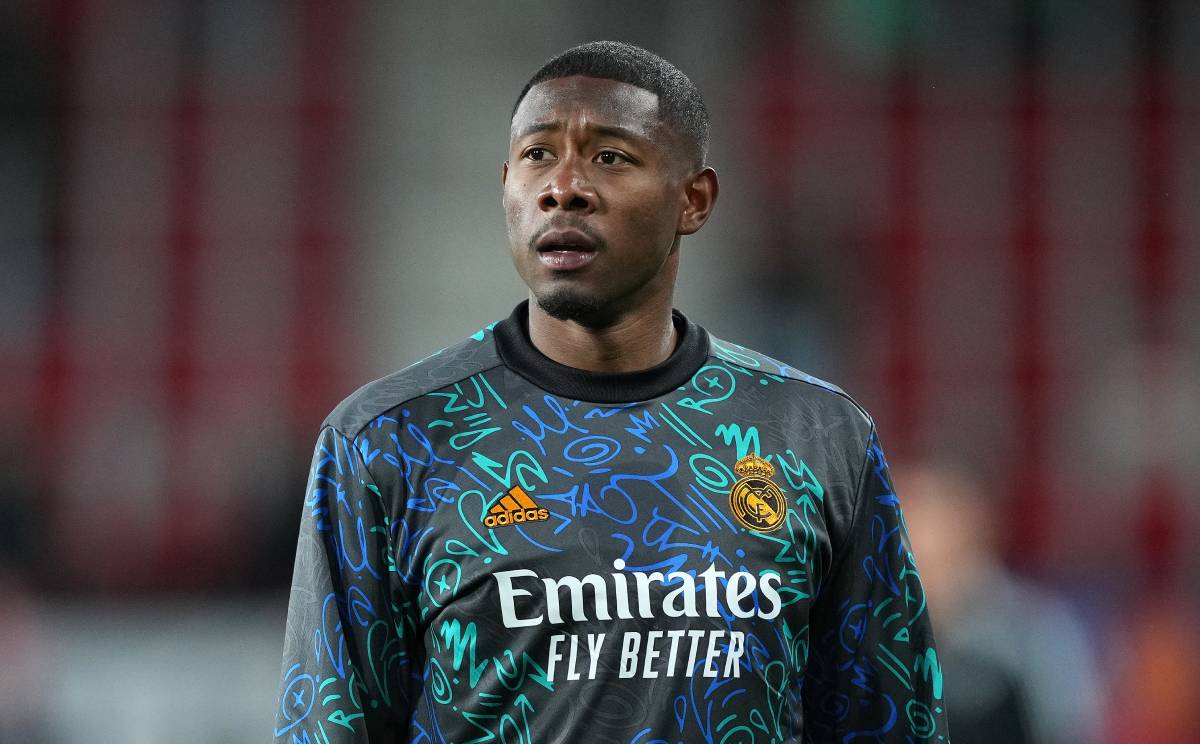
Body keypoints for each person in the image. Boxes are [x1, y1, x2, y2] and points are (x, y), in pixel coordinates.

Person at [274, 40, 949, 743]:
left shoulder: (818, 435)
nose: (562, 187)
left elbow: (890, 723)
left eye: (610, 157)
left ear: (693, 199)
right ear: (506, 184)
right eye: (538, 154)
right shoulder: (389, 440)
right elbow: (329, 728)